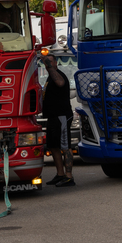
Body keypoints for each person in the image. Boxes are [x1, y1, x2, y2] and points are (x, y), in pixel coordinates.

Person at [41, 54, 75, 187]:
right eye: (45, 62)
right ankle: (60, 174)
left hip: (62, 116)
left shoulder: (59, 75)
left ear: (55, 63)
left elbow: (60, 83)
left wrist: (49, 66)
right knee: (53, 146)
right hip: (52, 116)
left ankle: (69, 177)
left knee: (65, 147)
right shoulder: (49, 78)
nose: (47, 63)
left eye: (50, 61)